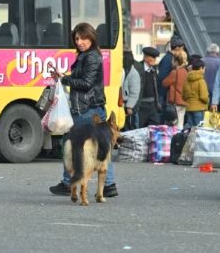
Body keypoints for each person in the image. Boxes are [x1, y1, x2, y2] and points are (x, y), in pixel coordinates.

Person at [48, 22, 117, 198]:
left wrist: (65, 80)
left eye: (84, 38)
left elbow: (86, 84)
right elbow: (84, 79)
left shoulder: (91, 57)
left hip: (87, 108)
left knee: (71, 144)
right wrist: (65, 77)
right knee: (101, 144)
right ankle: (108, 185)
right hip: (91, 107)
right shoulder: (86, 56)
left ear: (91, 38)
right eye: (77, 38)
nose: (80, 42)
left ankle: (68, 182)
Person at [122, 48, 163, 129]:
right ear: (146, 58)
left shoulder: (154, 70)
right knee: (139, 128)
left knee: (155, 128)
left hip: (152, 105)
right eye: (152, 58)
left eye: (155, 58)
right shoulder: (137, 68)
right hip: (140, 105)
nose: (154, 60)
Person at [181, 55, 209, 128]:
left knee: (190, 128)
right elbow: (204, 96)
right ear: (200, 68)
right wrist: (207, 101)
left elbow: (183, 96)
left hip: (189, 108)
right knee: (199, 129)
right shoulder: (201, 81)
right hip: (199, 108)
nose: (204, 70)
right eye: (204, 69)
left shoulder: (186, 80)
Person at [161, 51, 188, 127]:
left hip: (175, 103)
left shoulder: (175, 72)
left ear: (176, 61)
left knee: (173, 125)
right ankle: (179, 138)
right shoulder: (186, 71)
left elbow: (164, 83)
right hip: (184, 102)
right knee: (180, 123)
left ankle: (174, 138)